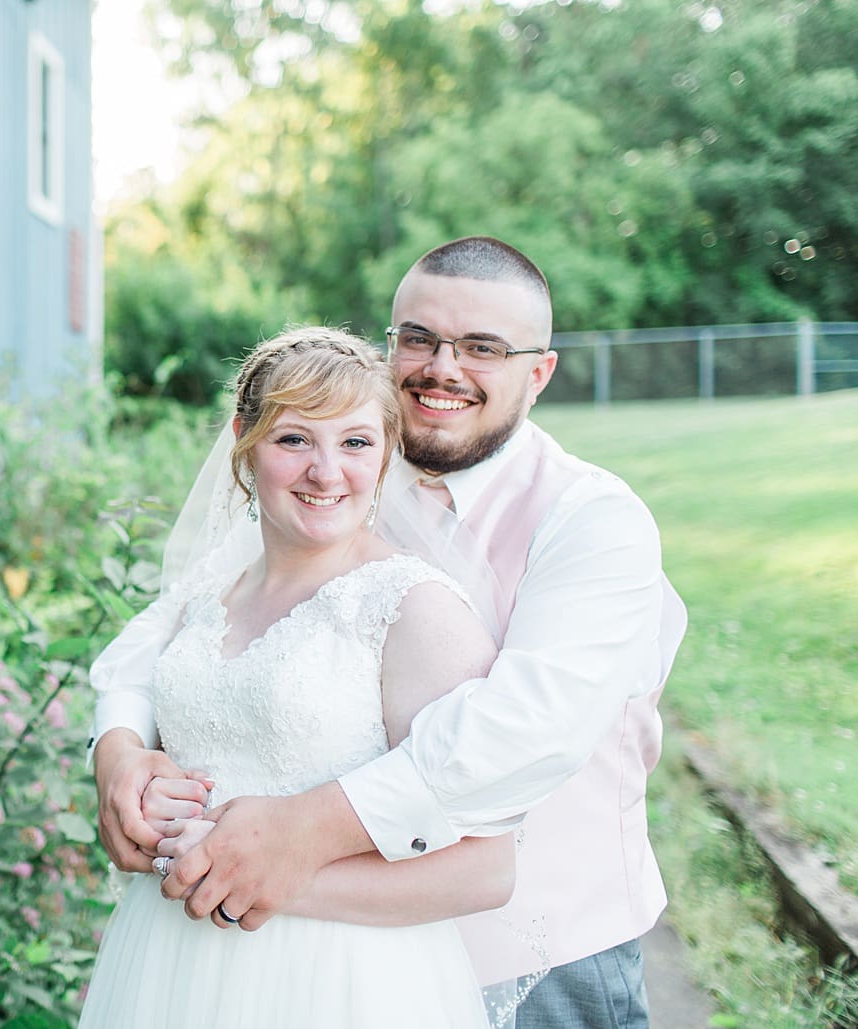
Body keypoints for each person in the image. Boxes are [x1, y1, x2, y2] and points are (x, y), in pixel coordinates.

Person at [91, 237, 686, 1028]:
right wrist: (119, 751)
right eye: (418, 339)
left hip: (543, 955)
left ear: (538, 372)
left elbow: (518, 732)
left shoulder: (592, 522)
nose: (442, 367)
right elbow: (165, 630)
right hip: (279, 959)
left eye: (482, 347)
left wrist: (298, 833)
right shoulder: (340, 480)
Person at [78, 327, 516, 1028]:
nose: (325, 471)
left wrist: (258, 873)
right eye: (292, 440)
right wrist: (121, 757)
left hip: (337, 984)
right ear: (242, 442)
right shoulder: (208, 588)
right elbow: (123, 676)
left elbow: (485, 870)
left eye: (354, 442)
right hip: (167, 967)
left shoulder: (412, 609)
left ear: (385, 454)